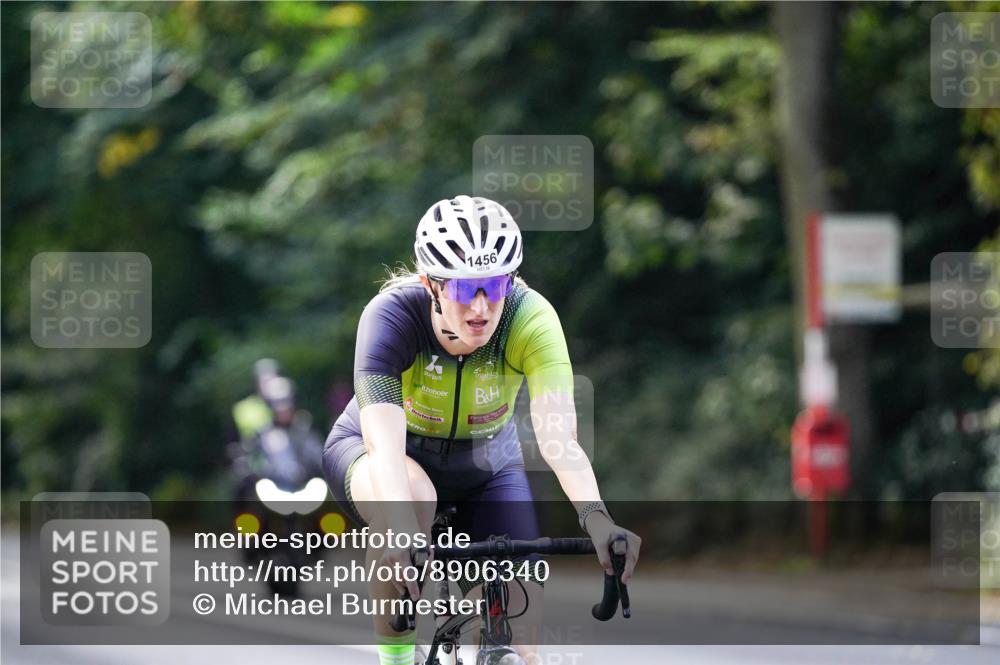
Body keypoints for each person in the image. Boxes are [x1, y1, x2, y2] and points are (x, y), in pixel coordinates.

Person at [322, 195, 641, 665]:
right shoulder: (391, 316)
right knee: (412, 500)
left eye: (493, 287)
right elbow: (384, 447)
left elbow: (558, 439)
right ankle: (395, 659)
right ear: (431, 284)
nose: (479, 307)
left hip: (486, 465)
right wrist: (399, 532)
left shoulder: (530, 317)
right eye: (463, 289)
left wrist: (598, 519)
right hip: (385, 459)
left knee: (523, 648)